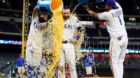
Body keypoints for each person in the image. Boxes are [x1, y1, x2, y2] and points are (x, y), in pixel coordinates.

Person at [82, 0, 128, 78]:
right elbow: (114, 1)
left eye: (106, 5)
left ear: (110, 6)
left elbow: (94, 14)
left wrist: (87, 8)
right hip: (124, 38)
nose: (105, 6)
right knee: (120, 61)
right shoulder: (119, 8)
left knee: (113, 62)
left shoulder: (108, 14)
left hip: (116, 40)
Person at [25, 2, 52, 77]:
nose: (43, 16)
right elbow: (34, 10)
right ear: (39, 15)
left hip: (38, 47)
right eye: (42, 14)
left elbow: (50, 22)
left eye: (45, 15)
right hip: (30, 45)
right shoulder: (35, 19)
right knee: (28, 64)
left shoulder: (46, 24)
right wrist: (40, 5)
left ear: (47, 17)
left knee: (37, 65)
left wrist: (49, 10)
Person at [57, 6, 82, 78]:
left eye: (67, 13)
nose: (65, 15)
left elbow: (80, 29)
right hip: (59, 44)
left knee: (72, 65)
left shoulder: (74, 19)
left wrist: (76, 39)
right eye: (64, 13)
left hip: (69, 44)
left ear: (70, 13)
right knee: (60, 66)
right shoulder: (58, 18)